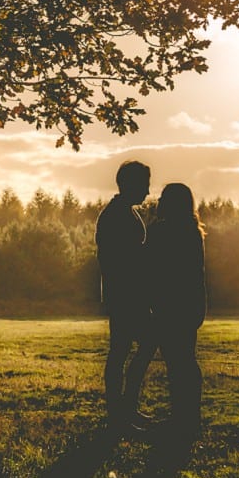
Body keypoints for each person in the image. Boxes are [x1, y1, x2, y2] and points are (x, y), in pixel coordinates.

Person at [96, 159, 156, 430]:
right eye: (144, 184)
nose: (147, 190)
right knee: (130, 348)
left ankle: (121, 410)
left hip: (124, 294)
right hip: (126, 294)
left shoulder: (121, 212)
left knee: (123, 350)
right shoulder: (118, 216)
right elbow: (123, 259)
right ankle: (122, 410)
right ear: (131, 185)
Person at [146, 182, 206, 439]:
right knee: (186, 361)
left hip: (168, 305)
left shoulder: (161, 231)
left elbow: (150, 267)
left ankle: (181, 418)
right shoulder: (193, 232)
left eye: (162, 198)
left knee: (176, 363)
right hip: (190, 304)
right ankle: (188, 417)